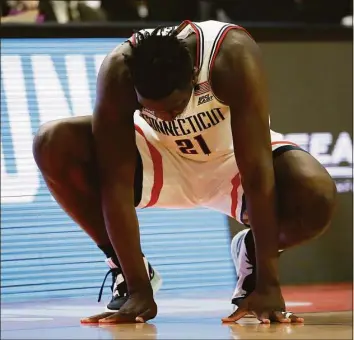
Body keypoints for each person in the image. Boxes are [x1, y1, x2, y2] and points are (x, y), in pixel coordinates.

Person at [32, 20, 337, 324]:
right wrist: (138, 288)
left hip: (230, 157)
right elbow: (116, 186)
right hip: (161, 155)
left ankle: (253, 251)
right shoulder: (118, 70)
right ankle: (126, 268)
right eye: (152, 109)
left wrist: (268, 284)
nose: (166, 116)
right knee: (52, 141)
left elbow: (256, 175)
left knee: (316, 195)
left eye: (175, 106)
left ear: (193, 76)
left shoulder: (231, 55)